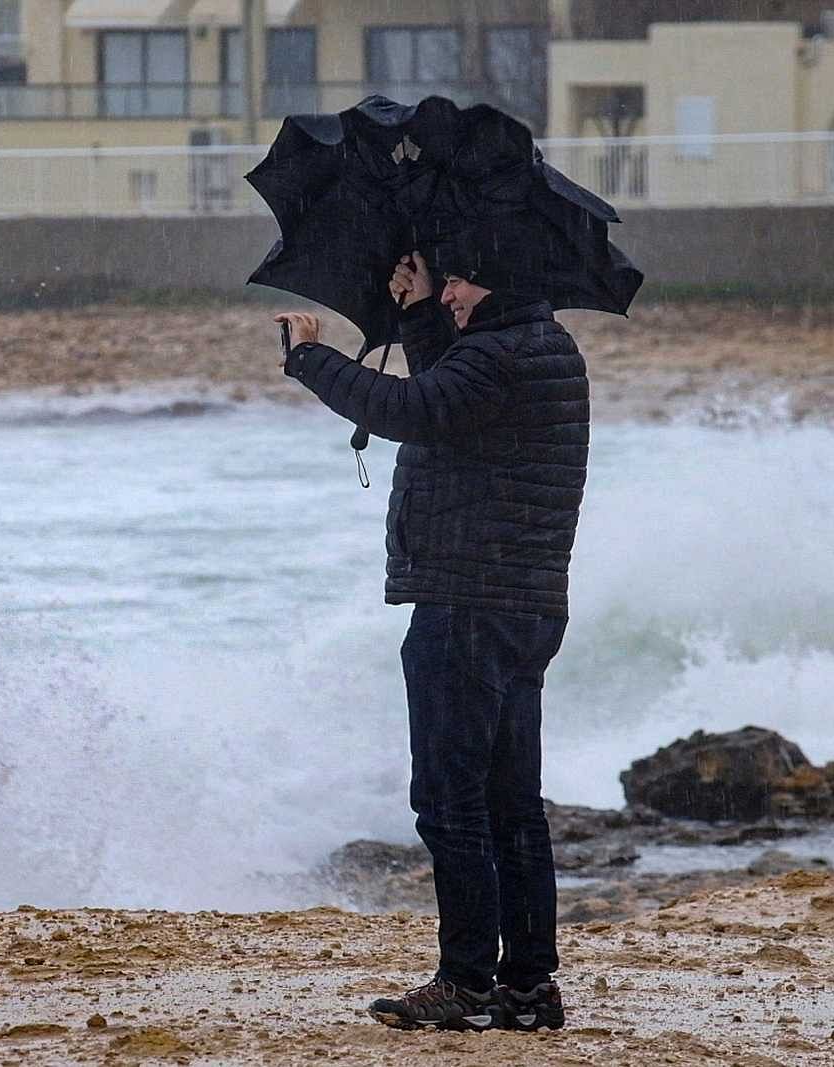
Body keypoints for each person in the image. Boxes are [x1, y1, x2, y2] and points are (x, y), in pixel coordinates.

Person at [273, 239, 586, 1034]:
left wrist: (313, 359)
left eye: (457, 280)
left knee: (453, 804)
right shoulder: (539, 345)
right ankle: (526, 984)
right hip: (523, 603)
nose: (448, 292)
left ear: (499, 280)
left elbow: (414, 410)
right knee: (511, 804)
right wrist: (415, 312)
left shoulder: (499, 356)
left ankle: (466, 980)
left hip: (466, 602)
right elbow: (453, 405)